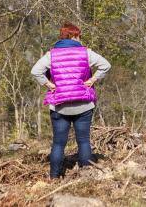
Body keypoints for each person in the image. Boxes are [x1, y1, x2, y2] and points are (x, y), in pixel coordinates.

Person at [31, 22, 111, 178]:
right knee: (83, 141)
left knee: (59, 143)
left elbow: (35, 71)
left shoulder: (51, 55)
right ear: (74, 36)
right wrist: (93, 79)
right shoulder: (86, 53)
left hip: (60, 106)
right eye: (79, 35)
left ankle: (54, 177)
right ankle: (86, 177)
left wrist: (49, 84)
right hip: (83, 104)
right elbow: (106, 65)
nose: (80, 38)